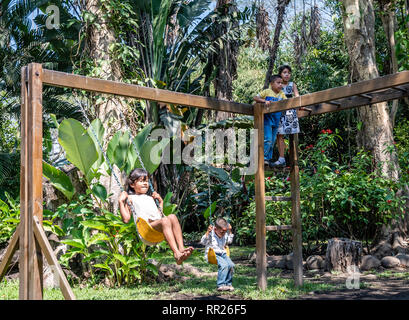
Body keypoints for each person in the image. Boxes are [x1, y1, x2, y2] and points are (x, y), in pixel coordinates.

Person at [118, 168, 193, 265]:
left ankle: (181, 248)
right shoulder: (131, 198)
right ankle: (176, 253)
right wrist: (121, 201)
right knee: (165, 220)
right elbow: (126, 219)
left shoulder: (150, 198)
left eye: (146, 181)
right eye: (141, 181)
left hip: (156, 228)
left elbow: (159, 215)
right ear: (132, 184)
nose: (145, 183)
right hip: (146, 231)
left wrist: (160, 202)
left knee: (172, 216)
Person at [270, 65, 301, 167]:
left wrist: (298, 107)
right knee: (279, 134)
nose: (287, 74)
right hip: (279, 111)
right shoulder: (278, 84)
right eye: (284, 72)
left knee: (292, 133)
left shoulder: (292, 85)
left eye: (288, 72)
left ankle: (295, 159)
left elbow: (297, 97)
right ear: (280, 74)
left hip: (290, 111)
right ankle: (282, 158)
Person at [253, 74, 287, 167]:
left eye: (281, 83)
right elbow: (255, 98)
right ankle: (263, 158)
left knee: (272, 141)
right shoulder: (267, 91)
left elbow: (288, 103)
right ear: (272, 84)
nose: (280, 85)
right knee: (267, 139)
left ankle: (267, 159)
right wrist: (264, 101)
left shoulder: (282, 94)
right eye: (278, 83)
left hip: (276, 120)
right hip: (268, 119)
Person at [200, 217, 235, 292]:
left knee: (231, 265)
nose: (223, 234)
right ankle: (221, 285)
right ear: (215, 229)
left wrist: (230, 231)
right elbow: (202, 242)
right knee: (224, 265)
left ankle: (228, 284)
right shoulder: (211, 234)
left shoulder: (225, 233)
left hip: (222, 253)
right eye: (222, 232)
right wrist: (207, 232)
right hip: (212, 254)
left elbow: (229, 241)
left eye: (225, 232)